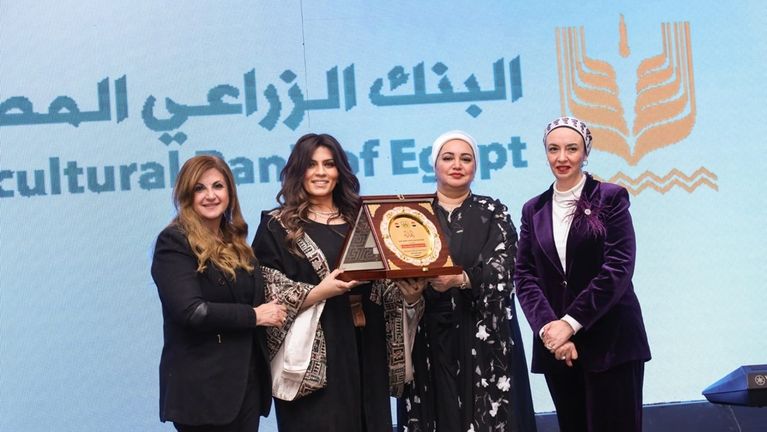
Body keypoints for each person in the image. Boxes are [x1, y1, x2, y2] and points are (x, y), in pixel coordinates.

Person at [251, 133, 422, 432]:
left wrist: (409, 294)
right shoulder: (278, 226)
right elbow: (266, 293)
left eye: (329, 164)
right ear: (298, 171)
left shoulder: (365, 220)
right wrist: (320, 292)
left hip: (367, 345)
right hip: (313, 357)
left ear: (340, 171)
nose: (321, 172)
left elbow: (384, 286)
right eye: (311, 164)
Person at [514, 117, 651, 432]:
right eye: (553, 149)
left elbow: (618, 266)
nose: (562, 157)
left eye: (571, 149)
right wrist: (549, 329)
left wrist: (570, 323)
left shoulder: (610, 197)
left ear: (585, 153)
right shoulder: (533, 209)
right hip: (558, 349)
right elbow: (524, 276)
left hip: (612, 342)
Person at [398, 131, 537, 432]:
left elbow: (506, 266)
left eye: (466, 158)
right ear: (434, 164)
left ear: (476, 166)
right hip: (428, 333)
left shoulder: (494, 211)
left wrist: (461, 278)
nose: (457, 165)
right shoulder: (411, 214)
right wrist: (409, 294)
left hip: (482, 333)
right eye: (448, 158)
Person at [151, 155, 286, 432]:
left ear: (230, 193)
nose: (210, 195)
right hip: (203, 394)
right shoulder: (174, 242)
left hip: (245, 386)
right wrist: (254, 316)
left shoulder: (236, 242)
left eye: (218, 186)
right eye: (199, 188)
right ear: (186, 195)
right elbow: (193, 312)